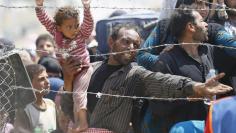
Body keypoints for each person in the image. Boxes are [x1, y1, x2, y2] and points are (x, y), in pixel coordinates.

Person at [60, 25, 232, 133]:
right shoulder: (91, 70)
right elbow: (69, 107)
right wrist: (68, 80)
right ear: (111, 42)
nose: (131, 48)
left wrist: (196, 87)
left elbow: (162, 81)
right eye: (126, 42)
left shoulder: (134, 74)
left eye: (136, 45)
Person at [145, 7, 214, 132]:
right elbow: (157, 105)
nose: (206, 24)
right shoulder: (167, 60)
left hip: (209, 127)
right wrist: (188, 95)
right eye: (201, 21)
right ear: (191, 27)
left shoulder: (207, 51)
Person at [35, 0, 94, 131]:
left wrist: (86, 7)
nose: (74, 29)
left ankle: (82, 122)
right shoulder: (56, 33)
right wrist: (39, 6)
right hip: (67, 71)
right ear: (59, 27)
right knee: (70, 98)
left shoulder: (81, 34)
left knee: (79, 94)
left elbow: (88, 24)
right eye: (69, 26)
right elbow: (45, 20)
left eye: (76, 25)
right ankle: (76, 122)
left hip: (83, 69)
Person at [14, 64, 56, 133]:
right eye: (41, 79)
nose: (47, 82)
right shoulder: (24, 110)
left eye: (47, 77)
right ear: (29, 84)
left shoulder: (51, 104)